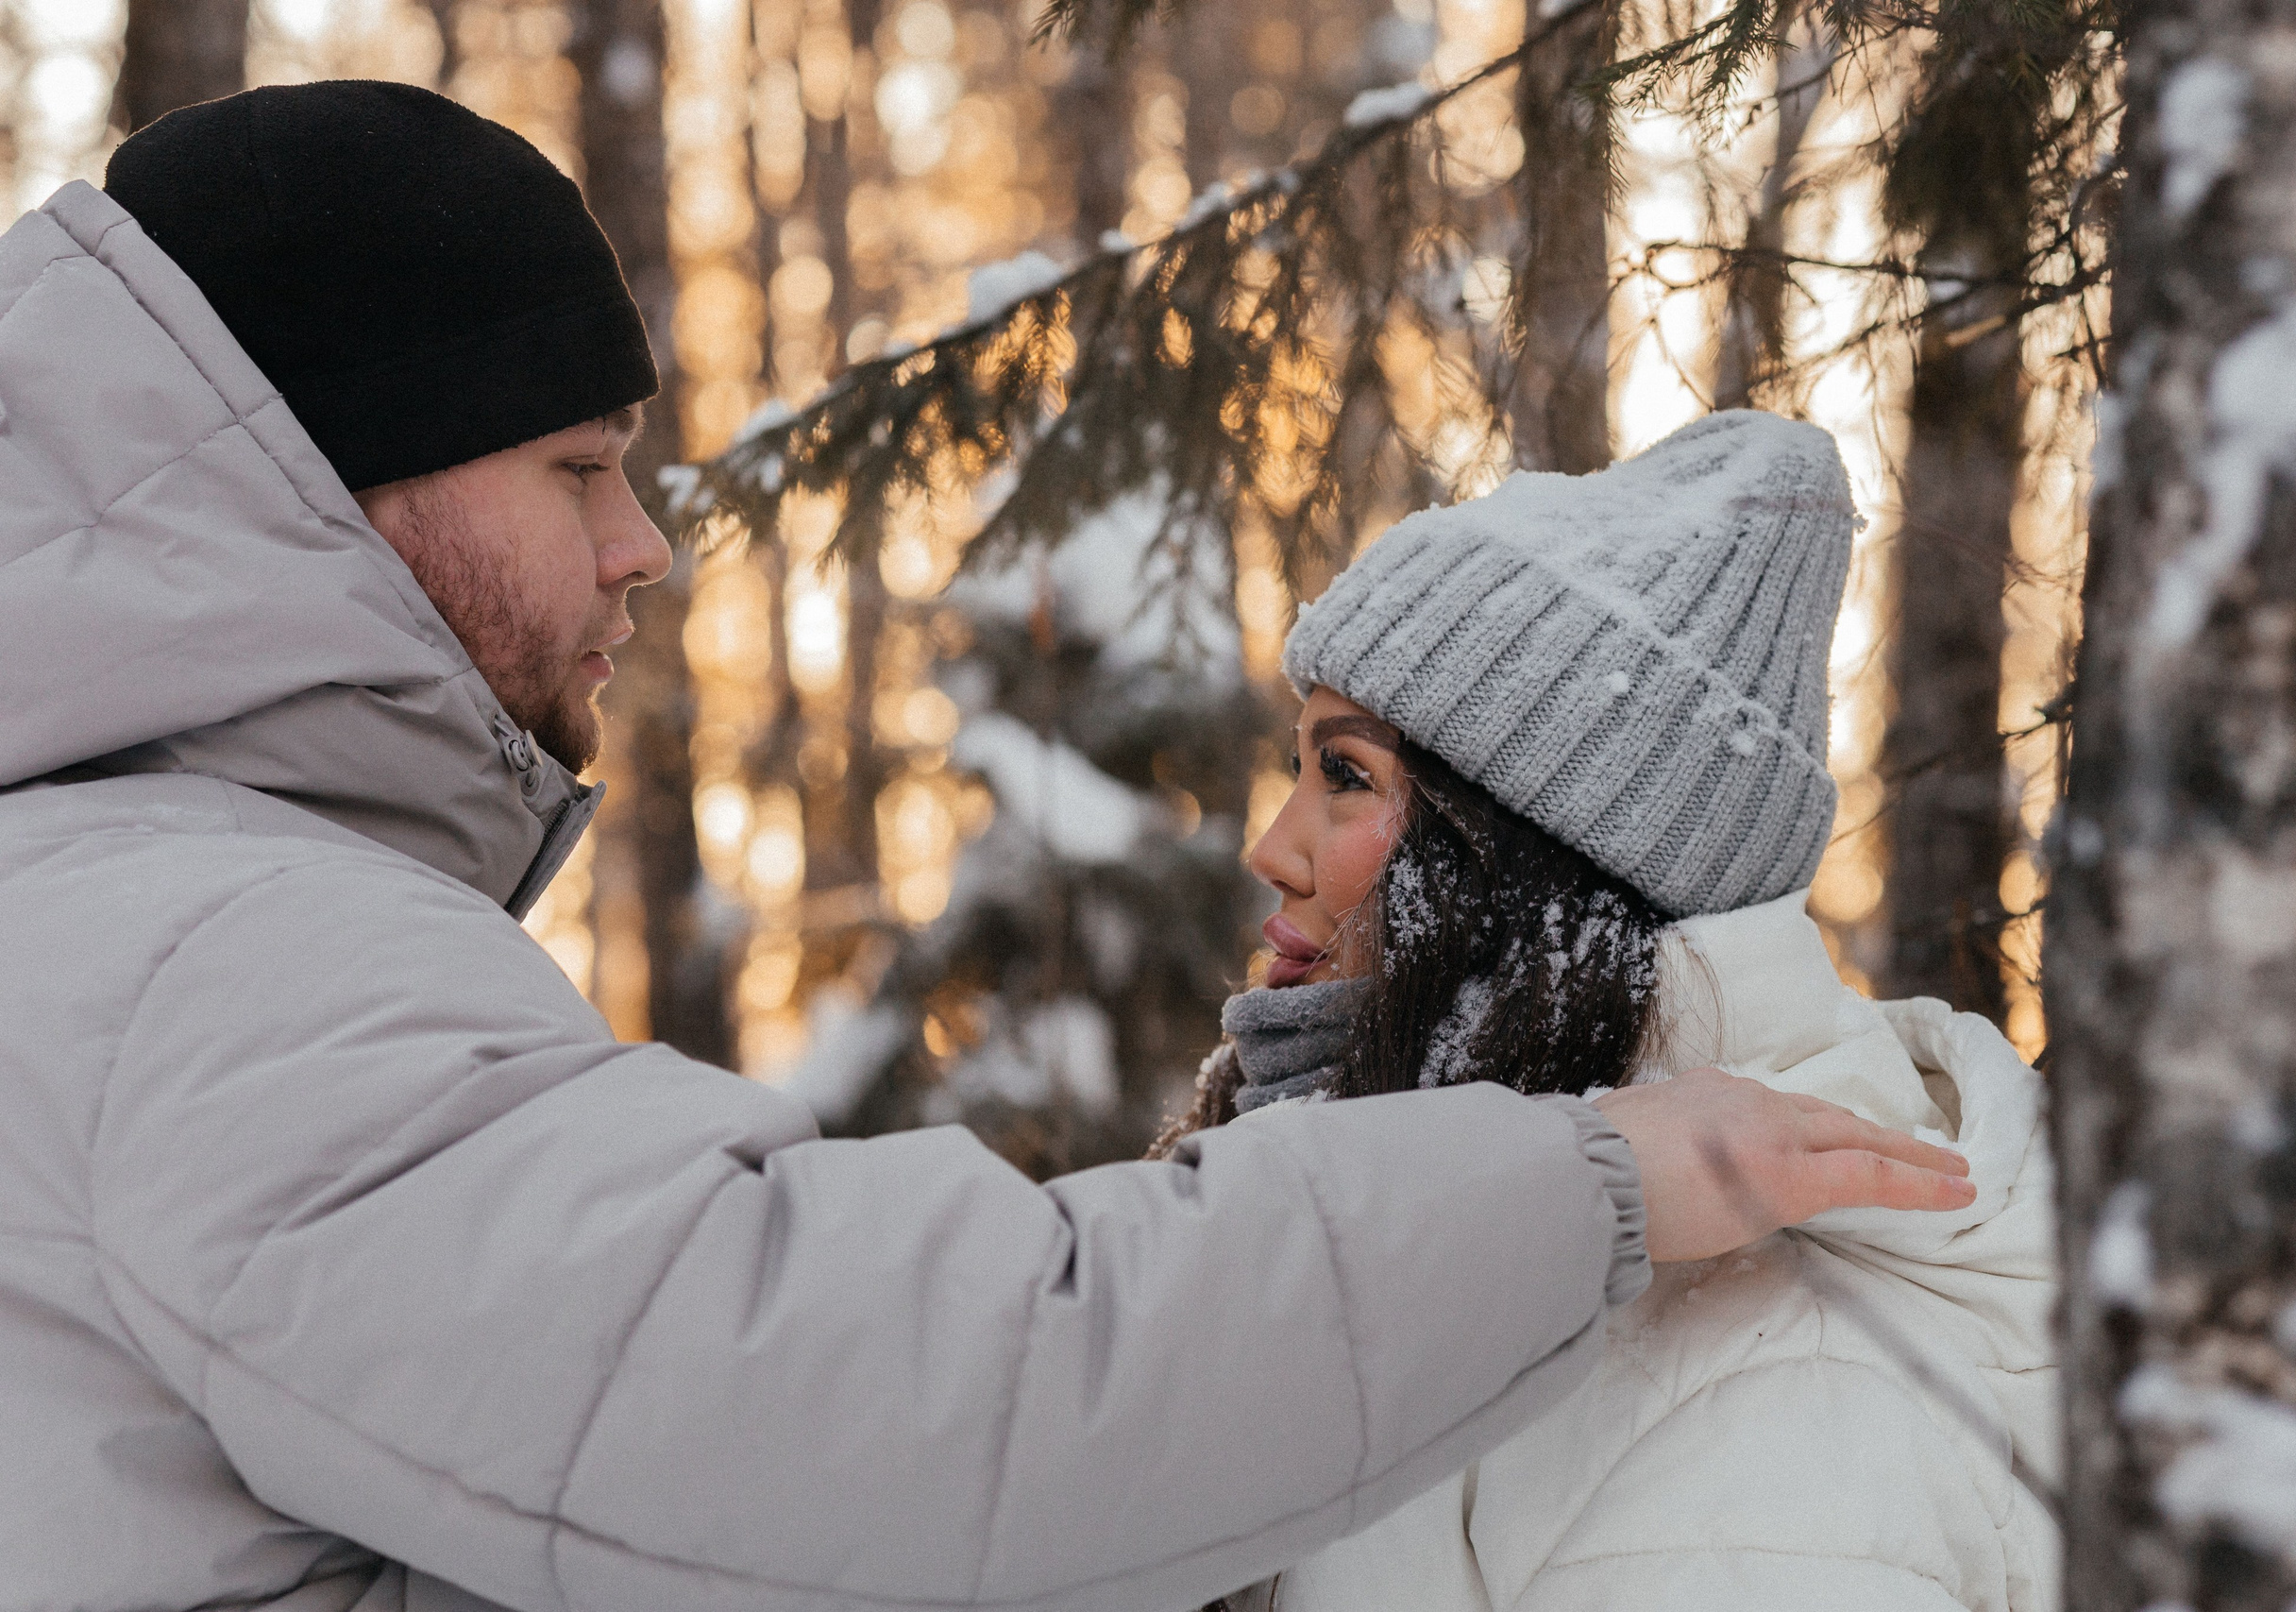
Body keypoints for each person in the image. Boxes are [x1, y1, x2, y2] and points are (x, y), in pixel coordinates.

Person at [0, 83, 1976, 1612]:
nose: (641, 546)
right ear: (345, 479)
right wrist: (1575, 1189)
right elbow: (878, 1394)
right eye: (577, 468)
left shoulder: (120, 912)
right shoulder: (217, 958)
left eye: (1350, 776)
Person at [1160, 411, 2058, 1612]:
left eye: (1346, 776)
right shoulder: (1419, 1218)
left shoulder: (1773, 1377)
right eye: (1301, 765)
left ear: (1527, 860)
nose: (1272, 850)